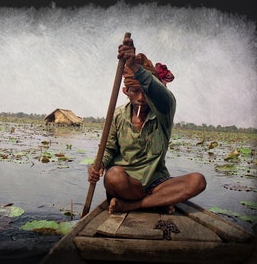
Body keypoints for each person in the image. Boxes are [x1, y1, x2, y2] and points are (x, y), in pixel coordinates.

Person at [88, 37, 206, 214]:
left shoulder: (164, 111)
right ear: (125, 91)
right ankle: (158, 202)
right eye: (135, 91)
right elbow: (108, 149)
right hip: (128, 184)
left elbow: (162, 95)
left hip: (157, 183)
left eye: (146, 92)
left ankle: (134, 205)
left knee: (197, 181)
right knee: (113, 176)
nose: (141, 98)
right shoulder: (118, 116)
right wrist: (98, 165)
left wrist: (134, 66)